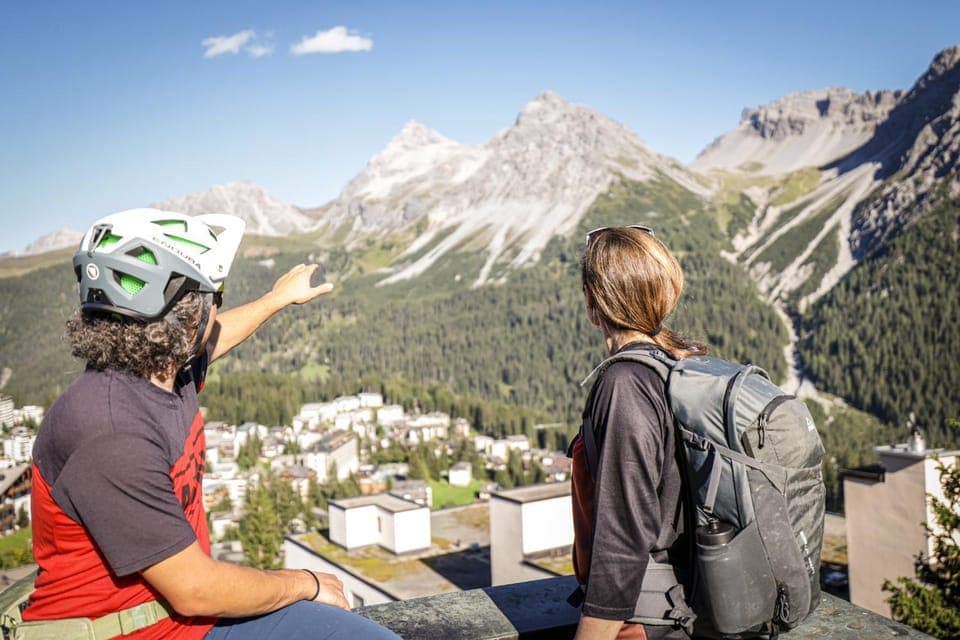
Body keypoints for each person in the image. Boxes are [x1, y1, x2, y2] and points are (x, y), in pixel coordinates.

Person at [23, 209, 400, 640]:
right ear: (189, 315)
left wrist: (276, 299)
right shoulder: (109, 431)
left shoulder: (160, 369)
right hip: (133, 632)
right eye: (212, 296)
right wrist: (305, 583)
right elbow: (195, 590)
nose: (216, 309)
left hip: (182, 623)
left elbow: (216, 337)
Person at [570, 225, 706, 640]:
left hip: (639, 620)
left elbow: (623, 535)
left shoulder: (625, 384)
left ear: (594, 303)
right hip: (676, 606)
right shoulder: (677, 367)